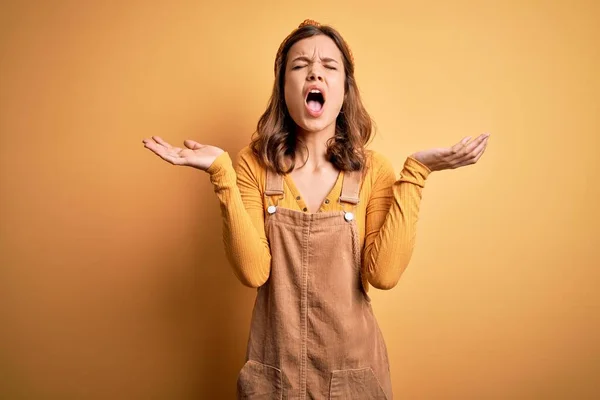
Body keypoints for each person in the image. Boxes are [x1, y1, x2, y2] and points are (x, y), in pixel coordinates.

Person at [143, 19, 489, 400]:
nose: (315, 73)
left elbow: (385, 274)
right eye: (300, 66)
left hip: (353, 381)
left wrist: (417, 173)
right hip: (275, 381)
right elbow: (253, 271)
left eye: (329, 66)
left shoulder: (374, 170)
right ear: (284, 87)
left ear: (344, 89)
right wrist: (220, 173)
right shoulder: (251, 165)